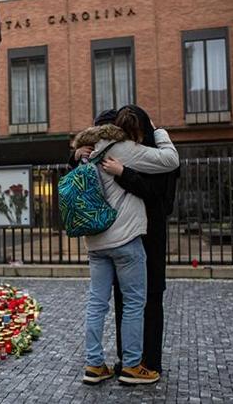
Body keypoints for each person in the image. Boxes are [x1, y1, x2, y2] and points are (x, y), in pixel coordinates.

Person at [74, 106, 179, 386]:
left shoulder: (87, 152)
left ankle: (94, 365)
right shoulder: (123, 149)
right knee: (135, 302)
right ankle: (133, 366)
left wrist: (76, 153)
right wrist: (160, 132)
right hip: (124, 240)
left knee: (97, 303)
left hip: (95, 242)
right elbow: (170, 160)